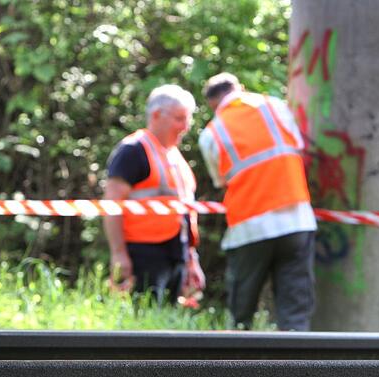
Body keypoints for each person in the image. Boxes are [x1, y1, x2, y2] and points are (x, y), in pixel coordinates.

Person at [198, 73, 316, 331]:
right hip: (296, 219)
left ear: (213, 104)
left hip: (249, 227)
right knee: (295, 312)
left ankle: (238, 355)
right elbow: (298, 147)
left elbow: (220, 181)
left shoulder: (211, 134)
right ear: (239, 88)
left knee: (242, 313)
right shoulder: (275, 107)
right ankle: (298, 355)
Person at [103, 84, 205, 304]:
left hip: (176, 254)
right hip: (142, 254)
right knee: (142, 320)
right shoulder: (133, 151)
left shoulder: (175, 156)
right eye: (179, 119)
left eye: (187, 119)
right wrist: (119, 254)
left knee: (170, 321)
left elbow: (186, 213)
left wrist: (191, 259)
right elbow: (112, 205)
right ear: (157, 115)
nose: (186, 127)